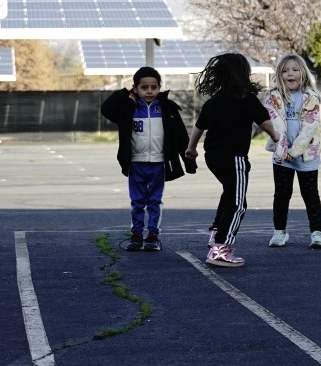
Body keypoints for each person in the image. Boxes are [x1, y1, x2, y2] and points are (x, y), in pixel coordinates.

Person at [186, 52, 279, 267]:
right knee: (238, 204)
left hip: (213, 157)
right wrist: (275, 137)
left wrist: (191, 148)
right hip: (234, 157)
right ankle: (221, 249)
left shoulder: (213, 102)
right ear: (242, 74)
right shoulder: (246, 98)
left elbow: (199, 126)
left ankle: (216, 234)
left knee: (229, 194)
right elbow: (264, 121)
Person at [100, 66, 196, 252]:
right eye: (144, 87)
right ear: (135, 88)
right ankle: (136, 235)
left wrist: (189, 159)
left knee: (154, 201)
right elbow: (106, 108)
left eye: (154, 87)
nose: (149, 91)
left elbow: (180, 134)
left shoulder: (167, 108)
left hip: (159, 164)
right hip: (136, 163)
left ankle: (152, 235)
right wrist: (126, 94)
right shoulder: (128, 108)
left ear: (160, 87)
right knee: (137, 201)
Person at [263, 54, 321, 250]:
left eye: (295, 70)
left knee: (310, 194)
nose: (290, 74)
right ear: (279, 75)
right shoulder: (273, 96)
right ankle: (279, 232)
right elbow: (274, 125)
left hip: (306, 155)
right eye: (285, 70)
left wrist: (295, 151)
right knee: (282, 194)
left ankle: (317, 233)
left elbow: (309, 128)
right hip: (282, 156)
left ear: (302, 73)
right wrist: (283, 151)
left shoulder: (311, 97)